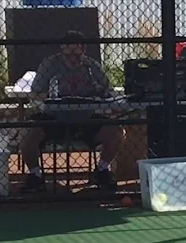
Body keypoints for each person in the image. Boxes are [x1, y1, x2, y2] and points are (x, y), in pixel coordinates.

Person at [19, 30, 123, 193]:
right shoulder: (49, 64)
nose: (73, 58)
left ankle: (102, 170)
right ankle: (35, 175)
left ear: (83, 51)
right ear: (62, 49)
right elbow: (34, 93)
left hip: (86, 117)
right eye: (68, 54)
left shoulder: (91, 66)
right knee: (27, 134)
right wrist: (50, 94)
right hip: (54, 117)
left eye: (76, 53)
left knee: (116, 132)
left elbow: (107, 91)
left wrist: (99, 91)